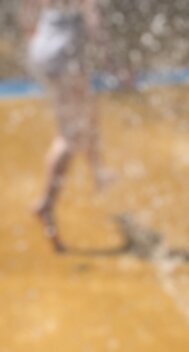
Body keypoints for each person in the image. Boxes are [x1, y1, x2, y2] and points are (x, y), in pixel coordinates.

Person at [22, 0, 114, 251]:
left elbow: (27, 11)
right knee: (68, 134)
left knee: (89, 111)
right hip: (66, 50)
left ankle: (98, 171)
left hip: (44, 43)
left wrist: (33, 39)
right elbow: (94, 16)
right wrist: (110, 58)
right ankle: (46, 204)